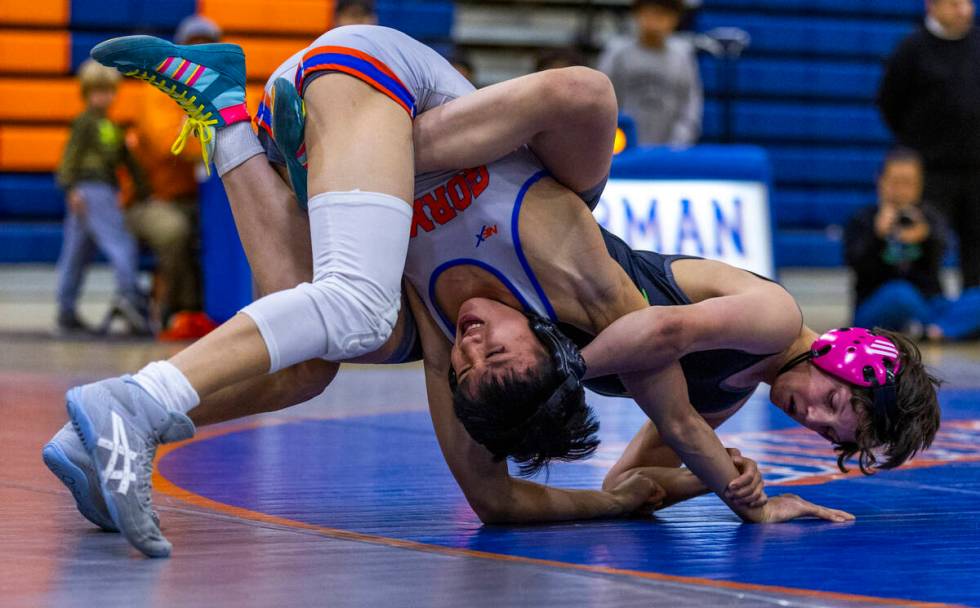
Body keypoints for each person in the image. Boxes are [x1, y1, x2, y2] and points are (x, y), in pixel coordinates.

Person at [48, 28, 935, 558]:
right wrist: (739, 487)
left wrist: (677, 485)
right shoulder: (755, 316)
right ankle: (141, 399)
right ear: (851, 357)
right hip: (404, 117)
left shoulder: (456, 339)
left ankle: (230, 122)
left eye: (826, 434)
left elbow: (571, 489)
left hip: (369, 158)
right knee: (363, 301)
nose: (813, 419)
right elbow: (655, 339)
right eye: (833, 405)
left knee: (317, 354)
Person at [126, 15, 221, 331]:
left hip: (203, 198)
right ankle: (180, 310)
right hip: (150, 199)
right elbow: (170, 143)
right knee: (174, 230)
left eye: (208, 47)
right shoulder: (156, 90)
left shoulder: (221, 89)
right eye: (194, 47)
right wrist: (215, 141)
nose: (201, 54)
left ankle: (229, 308)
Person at [877, 0, 980, 290]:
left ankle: (971, 313)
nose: (964, 10)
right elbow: (890, 103)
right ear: (932, 7)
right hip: (929, 170)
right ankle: (928, 311)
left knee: (976, 244)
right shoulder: (911, 48)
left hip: (975, 167)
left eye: (968, 2)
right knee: (928, 242)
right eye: (954, 3)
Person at [54, 59, 151, 335]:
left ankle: (67, 308)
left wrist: (143, 189)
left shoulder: (111, 126)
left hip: (101, 189)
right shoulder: (84, 123)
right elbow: (69, 157)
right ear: (86, 93)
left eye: (108, 91)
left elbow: (127, 160)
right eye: (97, 91)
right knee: (118, 244)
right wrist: (71, 187)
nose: (104, 97)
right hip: (92, 190)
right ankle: (129, 296)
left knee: (79, 250)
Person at [845, 148, 980, 340]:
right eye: (896, 182)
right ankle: (941, 328)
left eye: (908, 183)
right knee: (901, 293)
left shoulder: (929, 218)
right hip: (880, 304)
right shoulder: (863, 219)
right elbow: (854, 262)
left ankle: (929, 330)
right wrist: (878, 236)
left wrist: (926, 238)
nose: (901, 190)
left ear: (920, 185)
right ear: (881, 181)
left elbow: (941, 258)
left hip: (929, 304)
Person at [597, 0, 702, 146]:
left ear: (676, 19)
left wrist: (678, 143)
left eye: (663, 14)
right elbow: (602, 99)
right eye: (650, 12)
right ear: (637, 14)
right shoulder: (616, 52)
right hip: (622, 147)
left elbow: (690, 104)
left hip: (669, 149)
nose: (656, 20)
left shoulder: (683, 55)